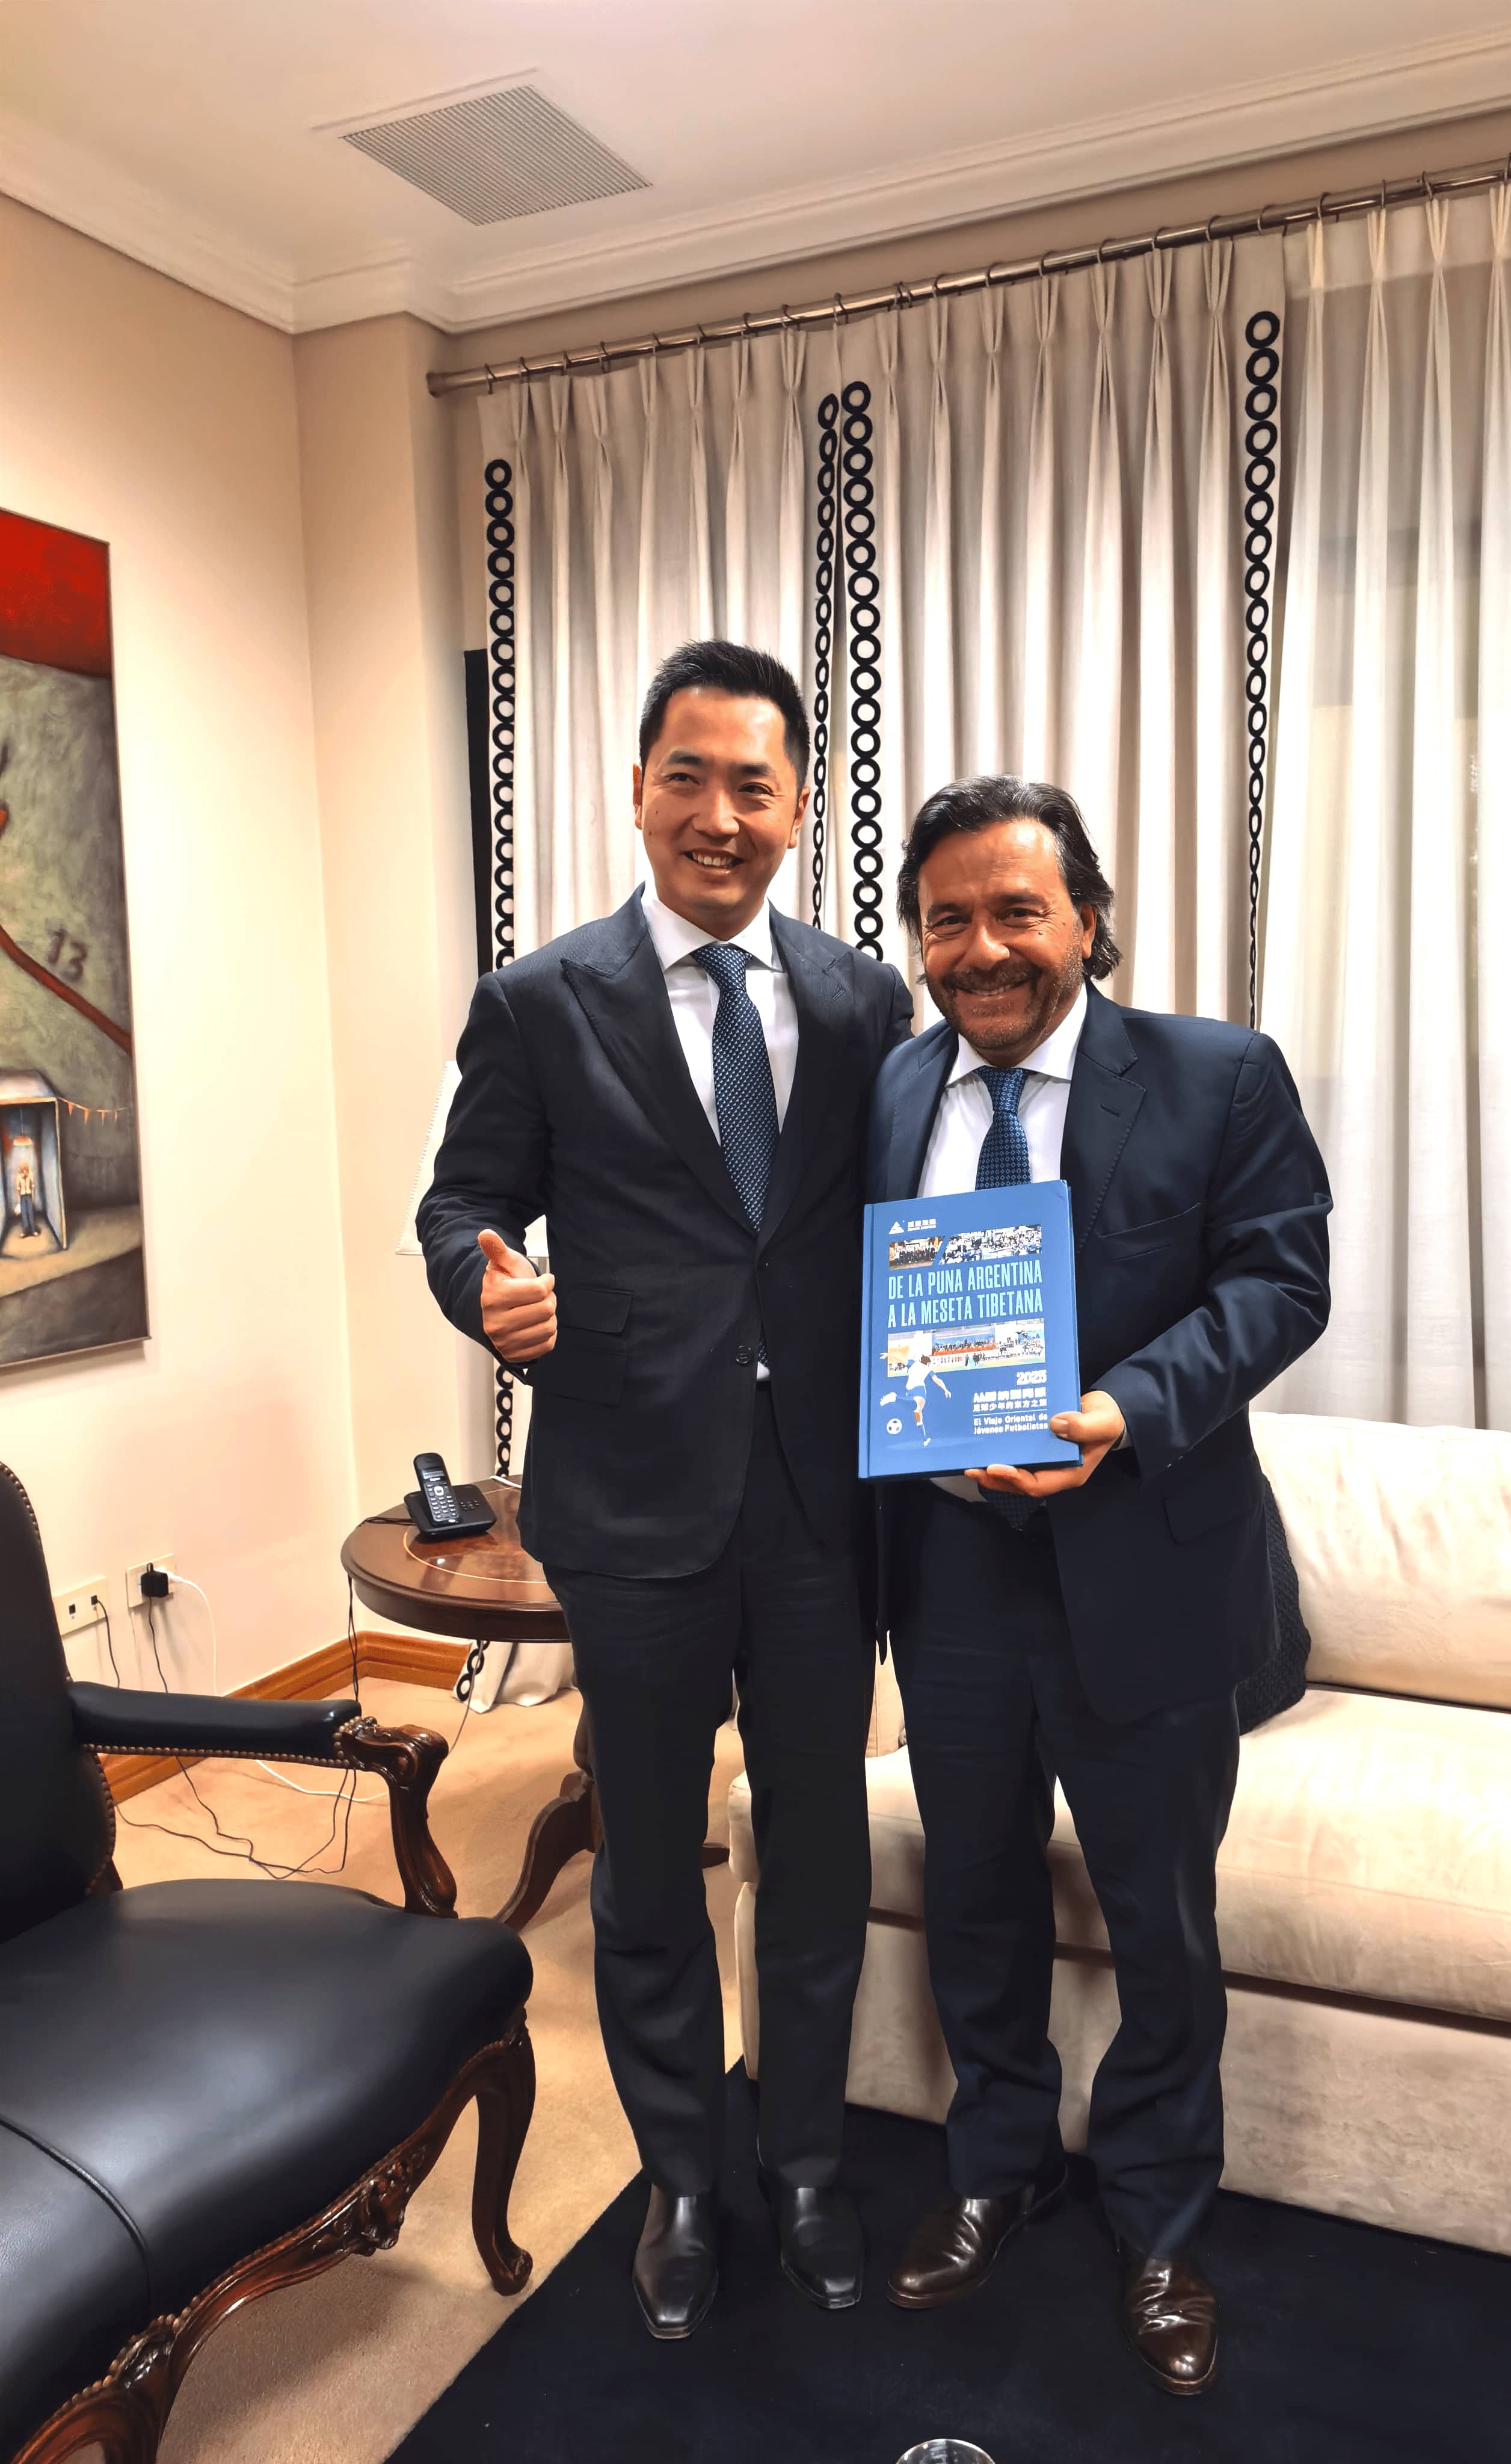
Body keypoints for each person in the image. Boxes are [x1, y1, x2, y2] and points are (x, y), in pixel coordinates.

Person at [418, 640, 912, 2339]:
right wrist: (484, 1287)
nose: (719, 815)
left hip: (821, 1506)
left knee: (819, 1853)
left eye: (752, 786)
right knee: (645, 1864)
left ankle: (807, 2165)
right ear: (638, 791)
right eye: (686, 778)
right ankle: (683, 2178)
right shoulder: (541, 1000)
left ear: (799, 808)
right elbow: (461, 1206)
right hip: (630, 1496)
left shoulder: (862, 1000)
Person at [868, 776, 1331, 2396]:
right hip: (947, 1579)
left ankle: (1159, 2220)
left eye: (1017, 911)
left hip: (1144, 1571)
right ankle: (998, 2166)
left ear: (1084, 920)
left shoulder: (1216, 1074)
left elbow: (1281, 1280)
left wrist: (1126, 1411)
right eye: (947, 919)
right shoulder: (895, 1087)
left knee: (1160, 1922)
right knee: (976, 1891)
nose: (982, 947)